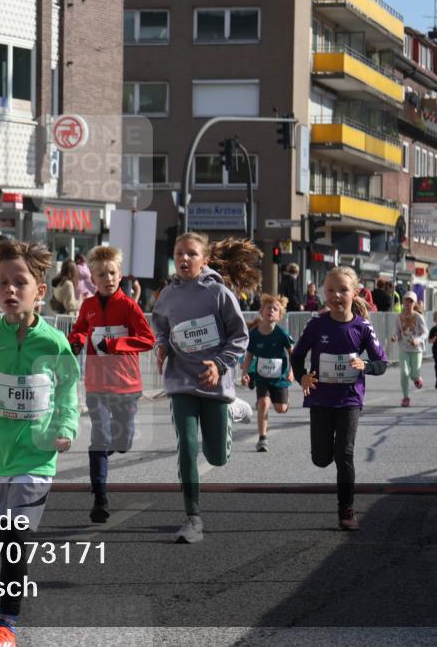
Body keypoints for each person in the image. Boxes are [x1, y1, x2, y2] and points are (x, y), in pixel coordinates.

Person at [0, 241, 78, 646]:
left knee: (16, 538)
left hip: (37, 456)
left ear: (40, 290)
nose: (9, 289)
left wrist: (66, 428)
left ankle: (6, 625)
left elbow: (68, 389)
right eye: (2, 282)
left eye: (19, 282)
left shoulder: (54, 342)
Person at [151, 233, 250, 544]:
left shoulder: (219, 293)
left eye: (191, 254)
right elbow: (161, 328)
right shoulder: (167, 295)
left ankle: (232, 410)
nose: (184, 259)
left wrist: (219, 365)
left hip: (214, 383)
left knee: (217, 456)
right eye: (179, 253)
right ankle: (193, 517)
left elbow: (240, 337)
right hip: (181, 381)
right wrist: (162, 346)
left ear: (204, 260)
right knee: (187, 447)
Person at [291, 266, 388, 531]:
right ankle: (329, 454)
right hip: (321, 399)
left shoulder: (362, 327)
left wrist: (365, 365)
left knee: (345, 453)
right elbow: (297, 356)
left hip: (349, 399)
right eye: (330, 290)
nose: (336, 295)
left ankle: (346, 509)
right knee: (322, 458)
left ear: (354, 293)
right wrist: (302, 377)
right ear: (324, 293)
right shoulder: (316, 324)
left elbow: (381, 363)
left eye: (343, 290)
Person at [68, 245, 156, 523]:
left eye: (112, 273)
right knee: (100, 439)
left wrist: (115, 344)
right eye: (102, 274)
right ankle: (100, 497)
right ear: (92, 278)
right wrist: (76, 341)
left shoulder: (128, 306)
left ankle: (100, 461)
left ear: (120, 275)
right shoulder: (88, 306)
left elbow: (148, 339)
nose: (108, 279)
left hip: (126, 385)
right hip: (96, 384)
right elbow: (80, 329)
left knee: (123, 442)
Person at [241, 295, 295, 453]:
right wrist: (245, 373)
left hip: (280, 377)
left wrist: (291, 371)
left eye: (275, 309)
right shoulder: (254, 335)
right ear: (262, 312)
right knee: (264, 403)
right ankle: (262, 439)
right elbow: (249, 356)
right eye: (268, 308)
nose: (271, 310)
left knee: (280, 408)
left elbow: (292, 353)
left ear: (279, 316)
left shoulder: (282, 334)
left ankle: (284, 402)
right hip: (262, 376)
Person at [390, 291, 427, 407]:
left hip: (416, 349)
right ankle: (406, 397)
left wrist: (418, 340)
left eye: (411, 301)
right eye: (406, 301)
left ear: (414, 303)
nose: (408, 303)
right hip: (404, 348)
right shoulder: (398, 317)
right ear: (403, 302)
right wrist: (395, 337)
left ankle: (417, 378)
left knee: (414, 373)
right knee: (404, 372)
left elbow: (425, 332)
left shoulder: (418, 317)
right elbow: (397, 332)